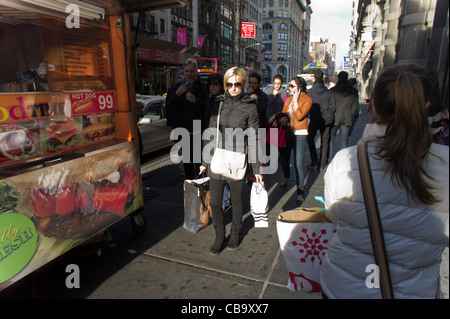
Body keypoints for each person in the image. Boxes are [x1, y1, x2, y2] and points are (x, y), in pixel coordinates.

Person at [320, 64, 449, 299]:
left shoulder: (345, 161)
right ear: (427, 106)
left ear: (374, 106)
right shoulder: (445, 165)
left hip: (342, 286)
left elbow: (333, 214)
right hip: (415, 291)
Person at [200, 67, 263, 255]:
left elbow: (254, 137)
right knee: (214, 203)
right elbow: (210, 132)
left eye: (237, 84)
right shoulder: (218, 103)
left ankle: (235, 234)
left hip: (238, 159)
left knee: (236, 201)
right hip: (218, 157)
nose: (233, 87)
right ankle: (220, 236)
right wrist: (205, 160)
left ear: (243, 84)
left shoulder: (250, 106)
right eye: (229, 83)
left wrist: (257, 167)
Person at [166, 59, 207, 179]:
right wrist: (177, 95)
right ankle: (191, 191)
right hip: (183, 131)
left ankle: (202, 188)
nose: (189, 73)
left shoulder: (202, 87)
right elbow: (169, 108)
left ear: (196, 72)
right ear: (183, 72)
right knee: (187, 163)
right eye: (187, 71)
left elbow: (207, 108)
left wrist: (196, 101)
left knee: (200, 163)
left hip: (198, 131)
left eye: (192, 71)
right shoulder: (176, 87)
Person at [282, 76, 312, 207]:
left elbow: (300, 116)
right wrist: (282, 119)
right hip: (288, 133)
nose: (289, 88)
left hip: (300, 134)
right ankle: (286, 176)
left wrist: (295, 101)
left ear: (299, 88)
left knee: (298, 163)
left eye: (292, 86)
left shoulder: (307, 99)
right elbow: (283, 113)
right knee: (284, 158)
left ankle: (300, 191)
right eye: (289, 85)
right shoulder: (287, 99)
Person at [204, 73, 230, 210]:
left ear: (221, 85)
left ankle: (225, 200)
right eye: (210, 84)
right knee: (214, 172)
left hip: (222, 140)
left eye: (215, 84)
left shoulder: (224, 100)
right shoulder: (210, 100)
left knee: (222, 172)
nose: (212, 86)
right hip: (210, 139)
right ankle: (222, 199)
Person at [306, 69, 335, 170]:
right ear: (322, 78)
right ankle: (322, 164)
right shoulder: (328, 92)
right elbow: (334, 107)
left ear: (314, 77)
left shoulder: (310, 92)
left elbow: (307, 107)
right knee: (325, 140)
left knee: (310, 138)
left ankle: (314, 159)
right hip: (326, 120)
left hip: (314, 118)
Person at [329, 71, 358, 160]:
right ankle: (343, 160)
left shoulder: (333, 90)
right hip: (347, 117)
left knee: (331, 139)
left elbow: (330, 105)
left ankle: (330, 158)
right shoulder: (353, 91)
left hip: (334, 117)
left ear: (338, 78)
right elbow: (355, 107)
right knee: (344, 141)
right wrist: (351, 116)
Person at [267, 112, 294, 187]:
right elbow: (269, 122)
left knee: (285, 159)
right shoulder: (278, 115)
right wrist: (277, 117)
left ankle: (286, 177)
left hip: (287, 135)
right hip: (276, 132)